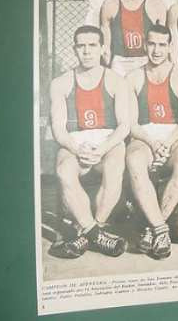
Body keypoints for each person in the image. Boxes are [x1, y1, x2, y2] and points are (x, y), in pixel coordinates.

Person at [49, 26, 130, 259]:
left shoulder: (116, 81)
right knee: (64, 170)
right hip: (76, 142)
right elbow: (58, 128)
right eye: (81, 46)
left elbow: (124, 125)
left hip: (107, 142)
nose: (86, 51)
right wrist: (77, 149)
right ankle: (95, 234)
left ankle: (86, 233)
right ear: (74, 49)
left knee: (115, 166)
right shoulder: (61, 83)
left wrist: (101, 149)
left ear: (102, 49)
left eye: (92, 45)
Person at [126, 24, 178, 259]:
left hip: (173, 137)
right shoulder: (133, 77)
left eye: (162, 45)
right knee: (134, 159)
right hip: (144, 138)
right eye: (152, 44)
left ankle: (153, 227)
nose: (156, 50)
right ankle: (161, 230)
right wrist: (153, 144)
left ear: (169, 47)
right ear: (145, 44)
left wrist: (167, 142)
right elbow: (132, 124)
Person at [100, 0, 166, 77]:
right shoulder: (110, 4)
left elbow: (162, 44)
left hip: (146, 60)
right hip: (120, 62)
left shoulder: (156, 5)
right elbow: (106, 47)